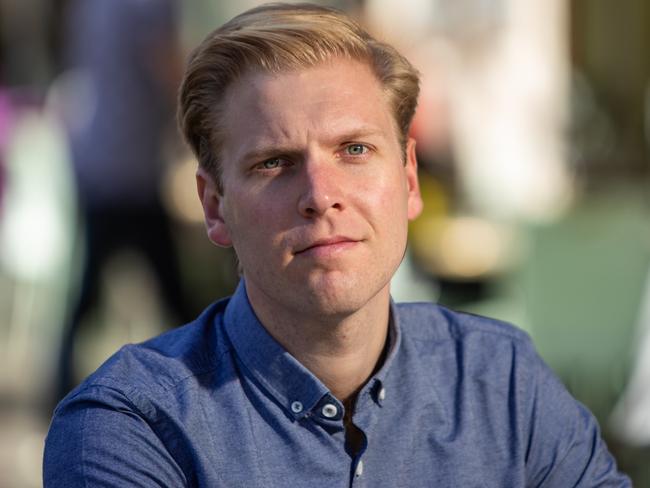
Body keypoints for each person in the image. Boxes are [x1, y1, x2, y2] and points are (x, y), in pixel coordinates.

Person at [43, 3, 630, 486]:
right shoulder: (133, 430)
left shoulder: (502, 381)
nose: (322, 195)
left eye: (354, 150)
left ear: (407, 181)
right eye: (275, 163)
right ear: (214, 205)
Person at [55, 0, 192, 400]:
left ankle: (60, 382)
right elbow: (168, 68)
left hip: (98, 159)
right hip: (128, 166)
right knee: (173, 294)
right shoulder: (146, 5)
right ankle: (208, 382)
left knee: (87, 294)